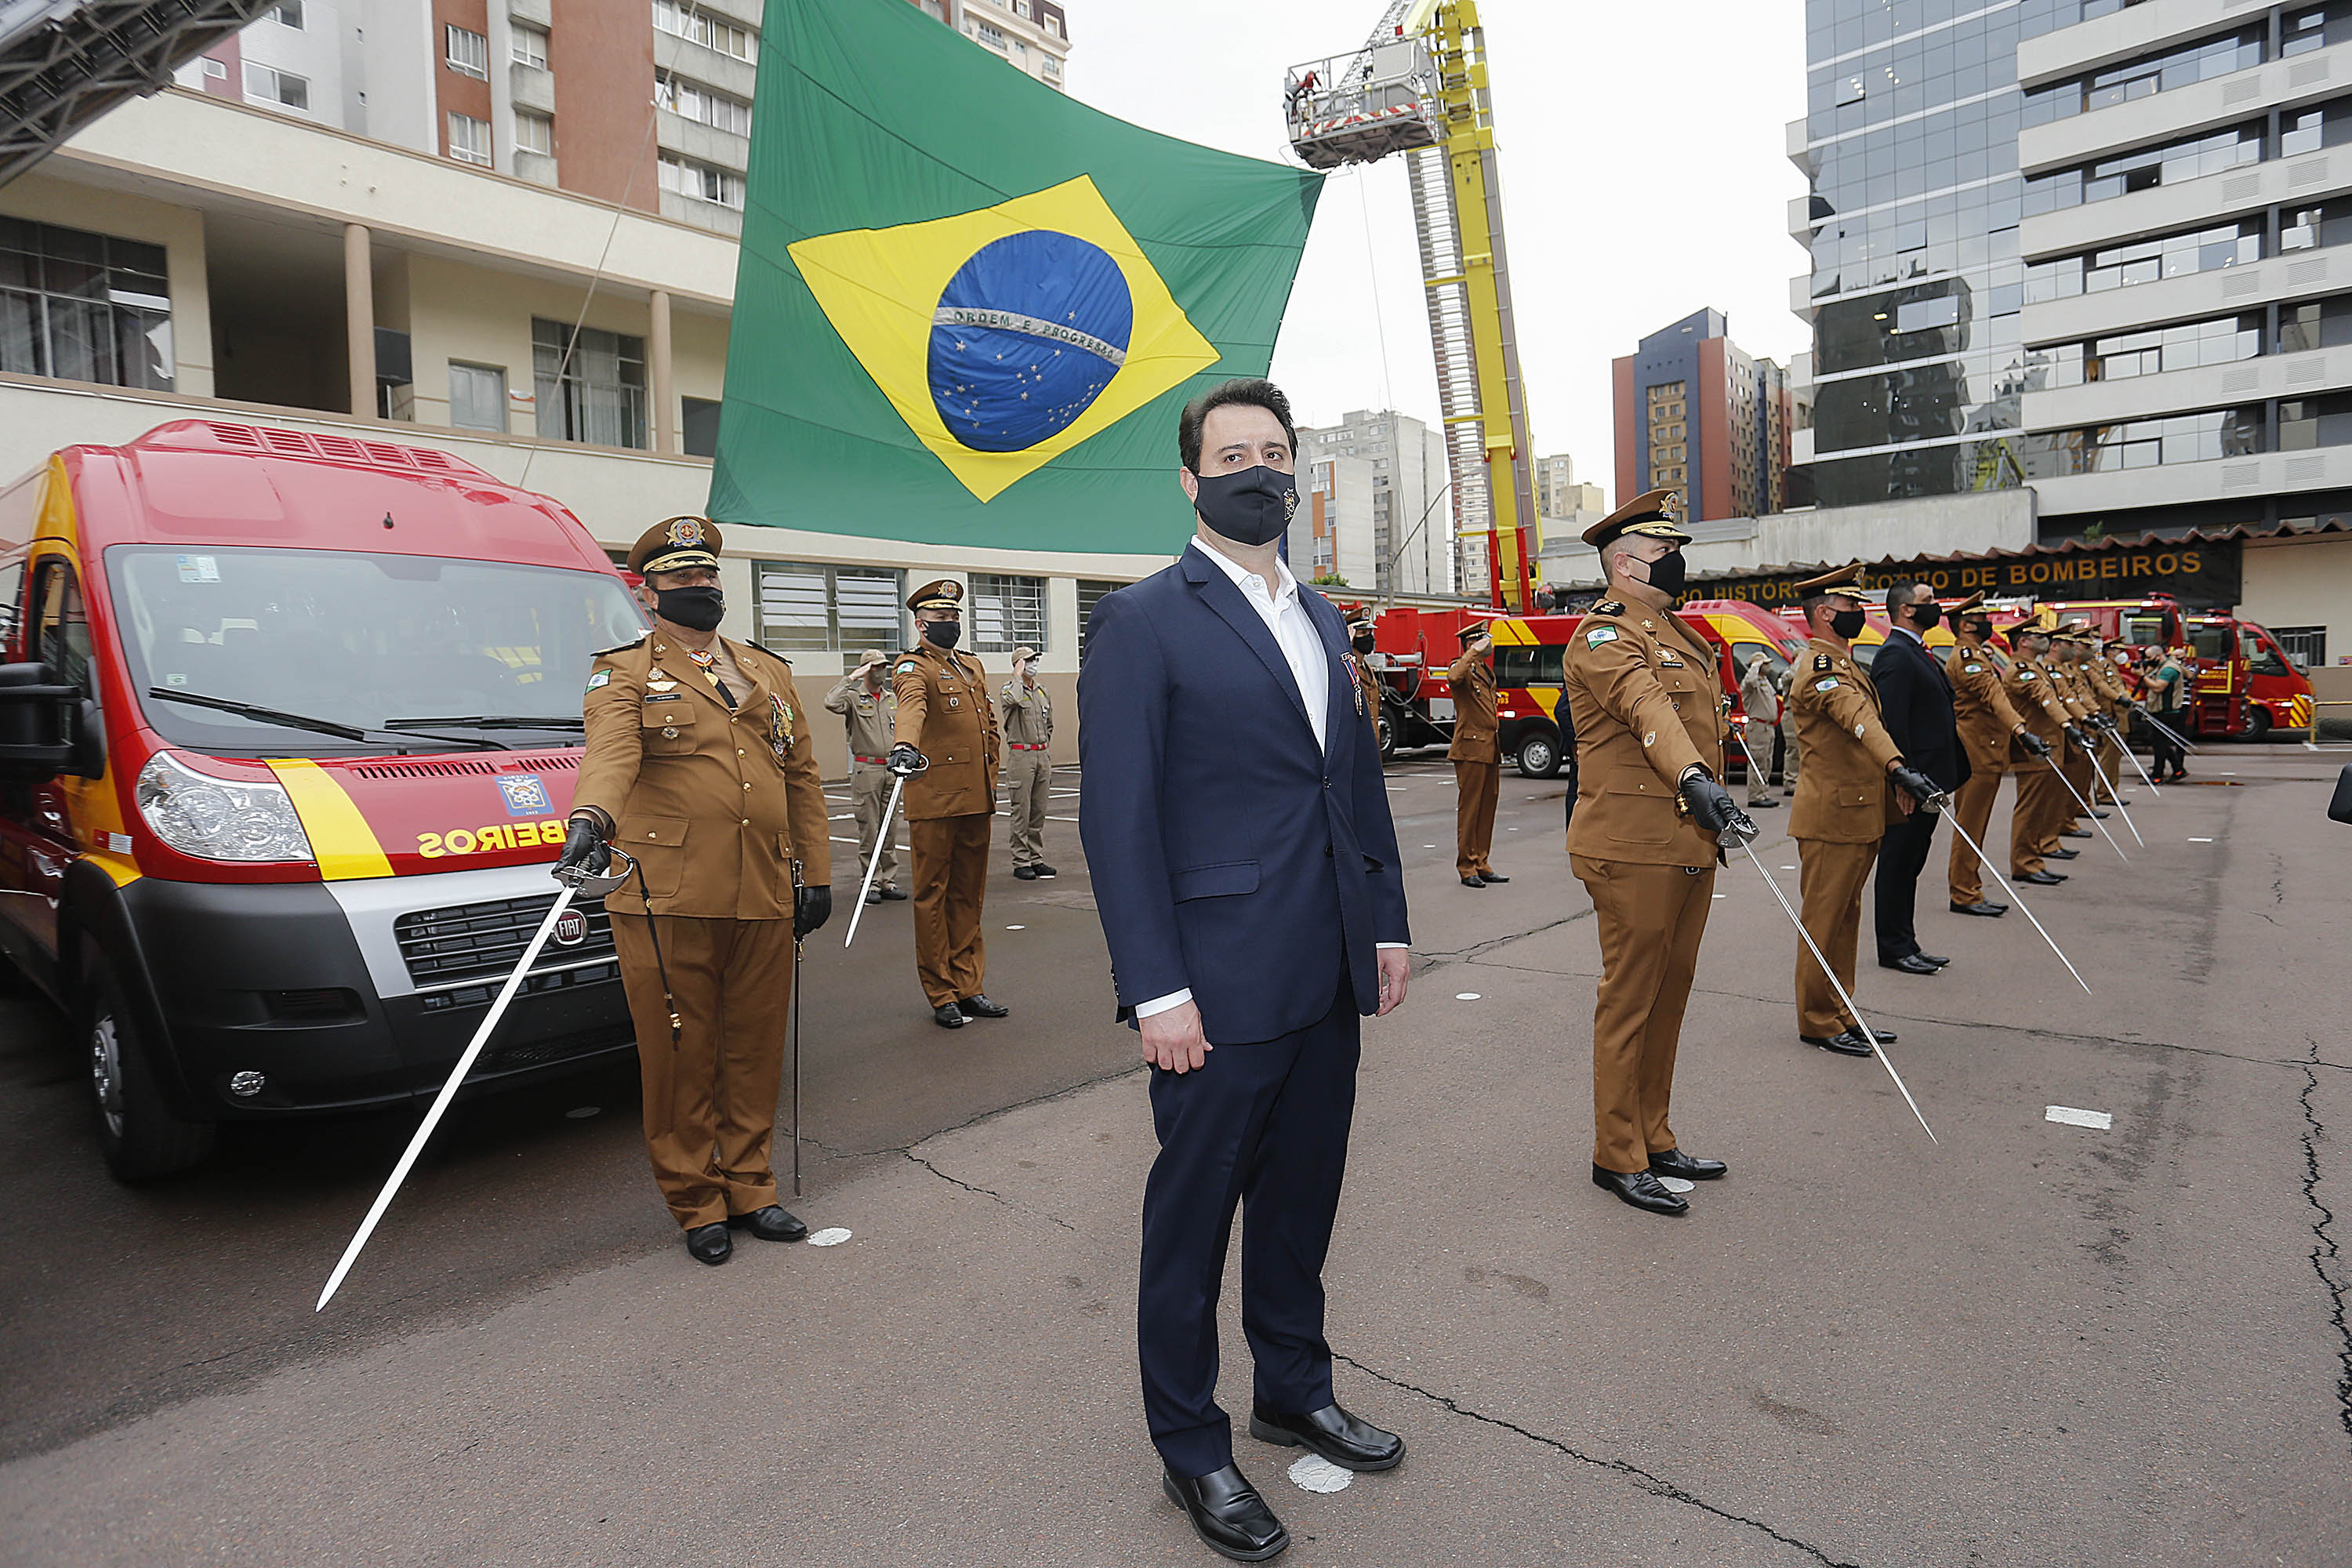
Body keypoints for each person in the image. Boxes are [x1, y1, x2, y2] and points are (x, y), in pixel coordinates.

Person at [1079, 376, 1412, 1565]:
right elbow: (1118, 820)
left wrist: (1383, 922)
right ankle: (1192, 1446)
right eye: (1234, 454)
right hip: (1214, 987)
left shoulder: (1319, 615)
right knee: (1192, 1224)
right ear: (1190, 477)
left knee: (1300, 1202)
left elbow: (1352, 785)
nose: (1258, 470)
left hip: (1324, 969)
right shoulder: (1143, 621)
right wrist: (1155, 988)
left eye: (1275, 452)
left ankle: (1293, 1386)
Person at [558, 516, 833, 1267]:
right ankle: (696, 1199)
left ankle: (751, 1186)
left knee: (752, 1047)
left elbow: (800, 777)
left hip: (766, 888)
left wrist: (816, 872)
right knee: (681, 1053)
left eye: (708, 576)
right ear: (650, 593)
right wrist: (591, 816)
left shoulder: (764, 670)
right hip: (666, 895)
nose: (701, 588)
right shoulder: (621, 672)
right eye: (682, 579)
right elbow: (610, 754)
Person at [1560, 488, 1753, 1217]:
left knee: (1668, 1001)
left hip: (1685, 844)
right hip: (1633, 847)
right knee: (1631, 1003)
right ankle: (1617, 1155)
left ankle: (1654, 1134)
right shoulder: (1606, 637)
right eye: (1667, 554)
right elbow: (1650, 710)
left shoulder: (1677, 630)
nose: (1678, 565)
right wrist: (1697, 778)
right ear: (1627, 565)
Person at [1785, 563, 1940, 1057]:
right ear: (1827, 613)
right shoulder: (1820, 668)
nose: (1861, 612)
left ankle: (1841, 1011)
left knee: (1845, 920)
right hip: (1831, 816)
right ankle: (1816, 1019)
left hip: (1855, 813)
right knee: (1824, 922)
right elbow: (1857, 719)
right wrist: (1897, 767)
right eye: (1853, 606)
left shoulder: (1846, 662)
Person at [888, 579, 1007, 1030]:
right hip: (936, 800)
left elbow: (988, 730)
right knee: (932, 896)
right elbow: (912, 708)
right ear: (921, 625)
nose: (950, 624)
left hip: (976, 798)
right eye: (941, 619)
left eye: (954, 617)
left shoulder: (970, 666)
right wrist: (904, 745)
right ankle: (941, 991)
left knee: (968, 895)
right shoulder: (911, 667)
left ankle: (969, 984)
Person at [1870, 582, 1966, 976]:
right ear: (1907, 610)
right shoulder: (1895, 654)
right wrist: (1902, 779)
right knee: (1898, 863)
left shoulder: (1916, 651)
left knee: (1912, 863)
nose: (1936, 608)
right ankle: (1893, 946)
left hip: (1930, 780)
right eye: (1928, 602)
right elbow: (1891, 723)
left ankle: (1907, 941)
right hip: (1913, 781)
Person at [1943, 595, 2046, 916]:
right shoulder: (1966, 656)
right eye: (1982, 618)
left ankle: (1969, 887)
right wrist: (2020, 729)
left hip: (1985, 749)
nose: (1988, 623)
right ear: (1966, 625)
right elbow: (1993, 694)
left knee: (1977, 823)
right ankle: (1964, 892)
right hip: (1976, 750)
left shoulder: (1977, 654)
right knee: (1970, 824)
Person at [2003, 624, 2087, 887]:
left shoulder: (2035, 667)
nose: (2047, 641)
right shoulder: (2020, 670)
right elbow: (2045, 696)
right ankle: (2024, 863)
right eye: (2040, 637)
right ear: (2024, 642)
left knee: (2042, 806)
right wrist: (2067, 724)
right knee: (2030, 808)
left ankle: (2035, 856)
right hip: (2033, 749)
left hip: (2047, 745)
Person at [824, 648, 906, 906]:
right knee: (869, 828)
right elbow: (830, 702)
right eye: (877, 667)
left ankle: (888, 881)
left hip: (891, 768)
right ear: (867, 670)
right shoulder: (852, 697)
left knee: (889, 828)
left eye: (884, 667)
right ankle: (870, 881)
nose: (883, 672)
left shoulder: (891, 699)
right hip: (867, 768)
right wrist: (851, 677)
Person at [1447, 621, 1508, 888]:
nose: (1489, 643)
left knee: (1487, 808)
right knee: (1470, 810)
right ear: (1472, 643)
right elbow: (1453, 677)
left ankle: (1482, 862)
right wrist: (1471, 652)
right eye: (1484, 639)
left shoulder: (1484, 670)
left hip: (1490, 747)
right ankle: (1466, 866)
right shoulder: (1463, 667)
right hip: (1471, 748)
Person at [999, 644, 1057, 881]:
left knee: (1038, 811)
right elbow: (1012, 699)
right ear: (1019, 664)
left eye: (1035, 660)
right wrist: (1016, 676)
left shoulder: (1042, 692)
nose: (1034, 664)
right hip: (1021, 756)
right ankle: (1021, 860)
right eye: (1029, 661)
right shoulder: (1010, 689)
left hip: (1041, 755)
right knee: (1021, 811)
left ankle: (1036, 857)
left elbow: (1049, 724)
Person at [1738, 652, 1784, 809]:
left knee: (1766, 762)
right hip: (1758, 726)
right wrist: (1755, 665)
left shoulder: (1765, 681)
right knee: (1758, 762)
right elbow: (1749, 681)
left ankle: (1762, 793)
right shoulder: (1751, 682)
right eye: (1766, 663)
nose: (1769, 666)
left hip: (1768, 727)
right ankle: (1755, 796)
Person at [2146, 644, 2191, 781]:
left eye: (2149, 657)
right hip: (2161, 709)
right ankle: (2178, 769)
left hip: (2166, 710)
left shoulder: (2169, 669)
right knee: (2161, 742)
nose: (2148, 660)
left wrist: (2143, 676)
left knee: (2160, 744)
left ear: (2158, 656)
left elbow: (2159, 687)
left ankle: (2157, 775)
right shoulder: (2161, 667)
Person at [1345, 608, 1383, 739]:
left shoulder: (1368, 670)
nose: (1369, 637)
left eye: (1370, 632)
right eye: (1363, 633)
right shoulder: (1346, 670)